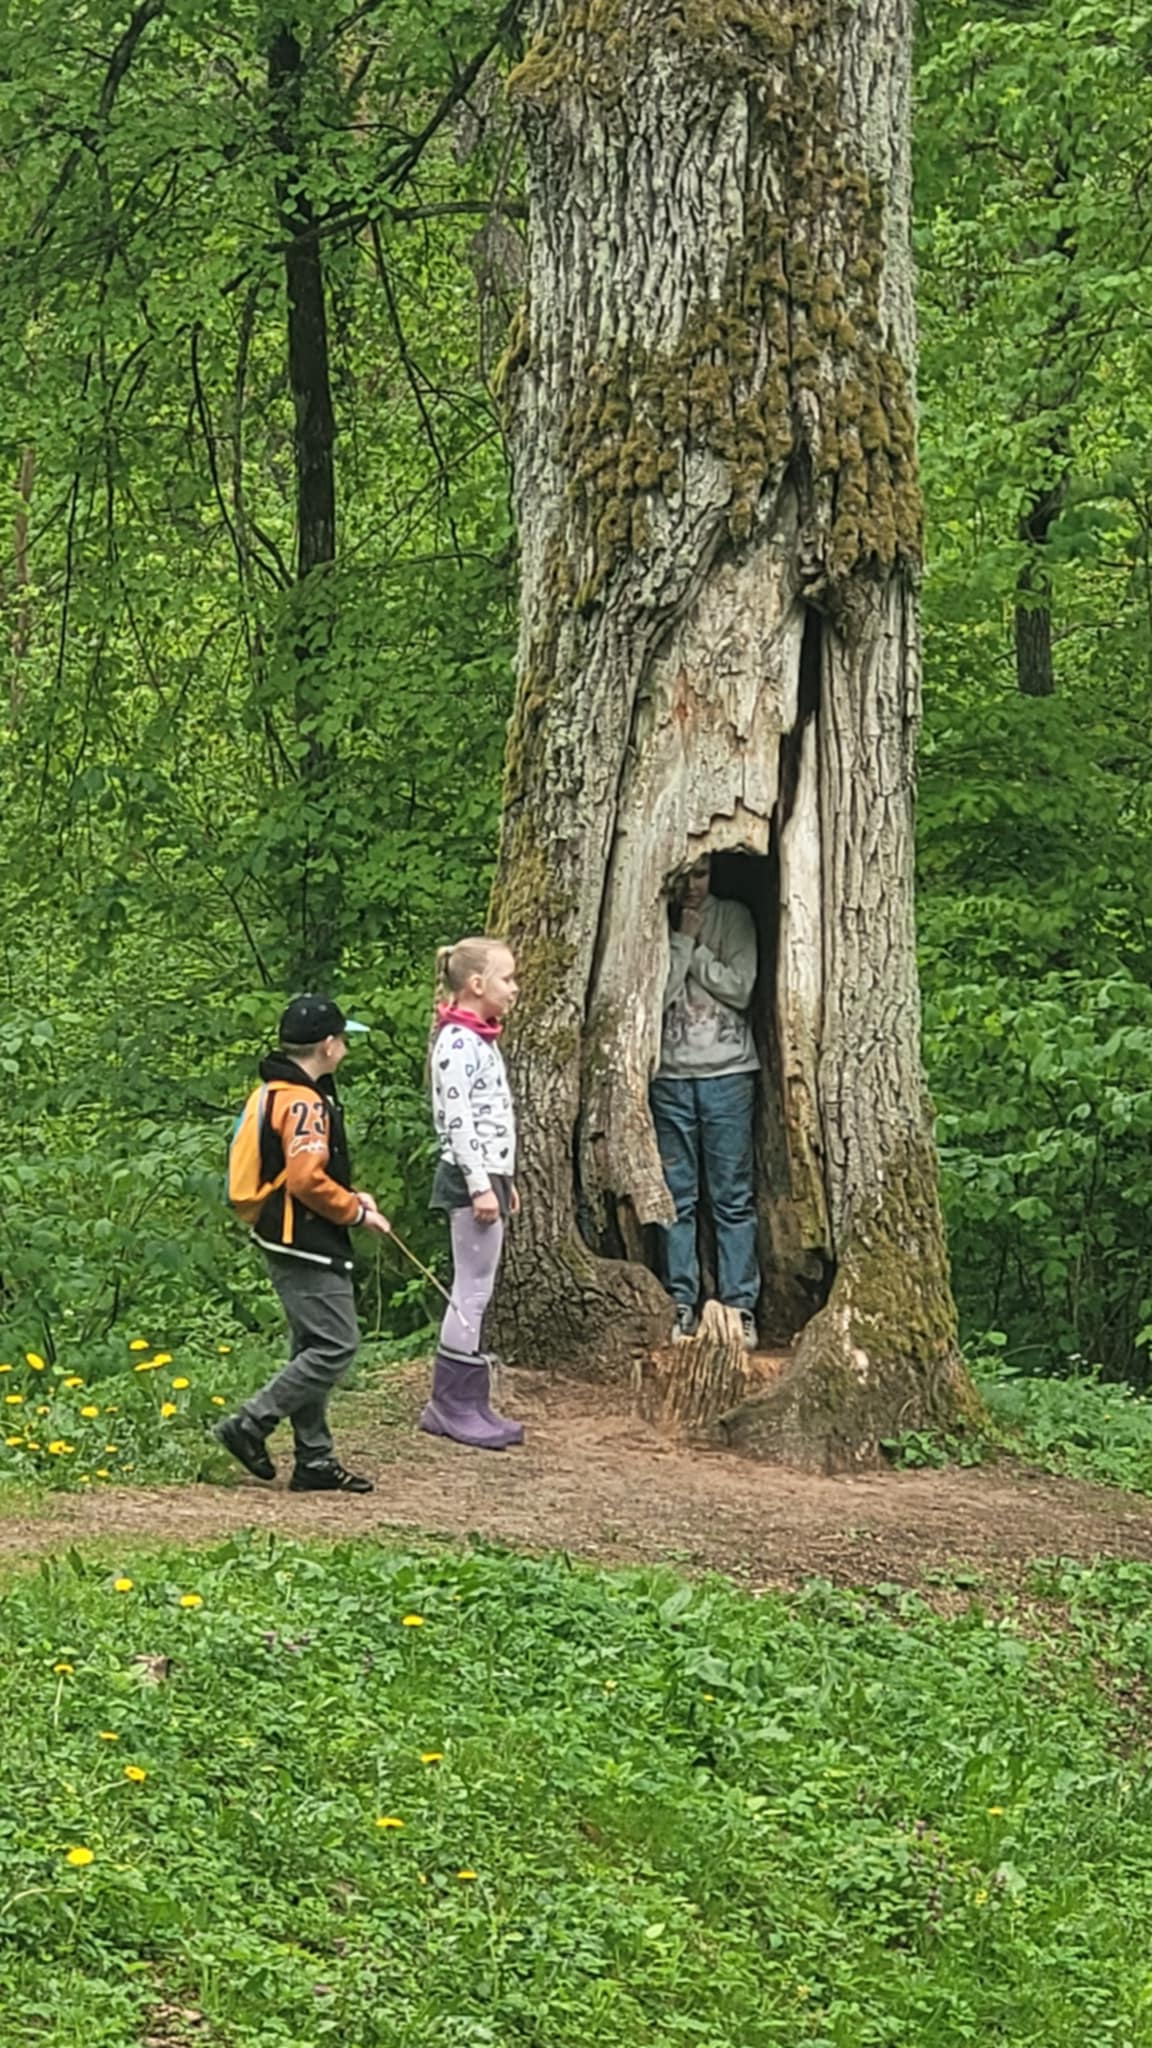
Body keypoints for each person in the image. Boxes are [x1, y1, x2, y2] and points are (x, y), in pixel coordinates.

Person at [215, 994, 392, 1493]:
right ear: (328, 1045)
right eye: (343, 1041)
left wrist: (351, 1196)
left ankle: (314, 1459)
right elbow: (306, 1179)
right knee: (336, 1345)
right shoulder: (305, 1103)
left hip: (286, 1232)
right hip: (305, 1238)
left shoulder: (277, 1091)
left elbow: (300, 1171)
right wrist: (355, 1212)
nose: (345, 1049)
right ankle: (250, 1423)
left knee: (311, 1346)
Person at [650, 854, 760, 1349]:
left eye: (702, 874)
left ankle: (739, 1306)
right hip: (670, 1077)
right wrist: (681, 939)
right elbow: (657, 997)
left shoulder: (734, 917)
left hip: (729, 1074)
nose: (693, 885)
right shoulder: (654, 920)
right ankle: (680, 1301)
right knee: (676, 1196)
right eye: (685, 876)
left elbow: (741, 988)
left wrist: (694, 949)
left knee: (732, 1196)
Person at [422, 936, 525, 1450]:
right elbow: (459, 1123)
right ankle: (451, 1403)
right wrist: (481, 1186)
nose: (515, 987)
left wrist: (505, 1182)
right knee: (471, 1290)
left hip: (488, 1176)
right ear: (477, 984)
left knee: (479, 1287)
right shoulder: (457, 1043)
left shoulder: (481, 1040)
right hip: (469, 1179)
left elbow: (491, 1118)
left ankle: (471, 1399)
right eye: (507, 978)